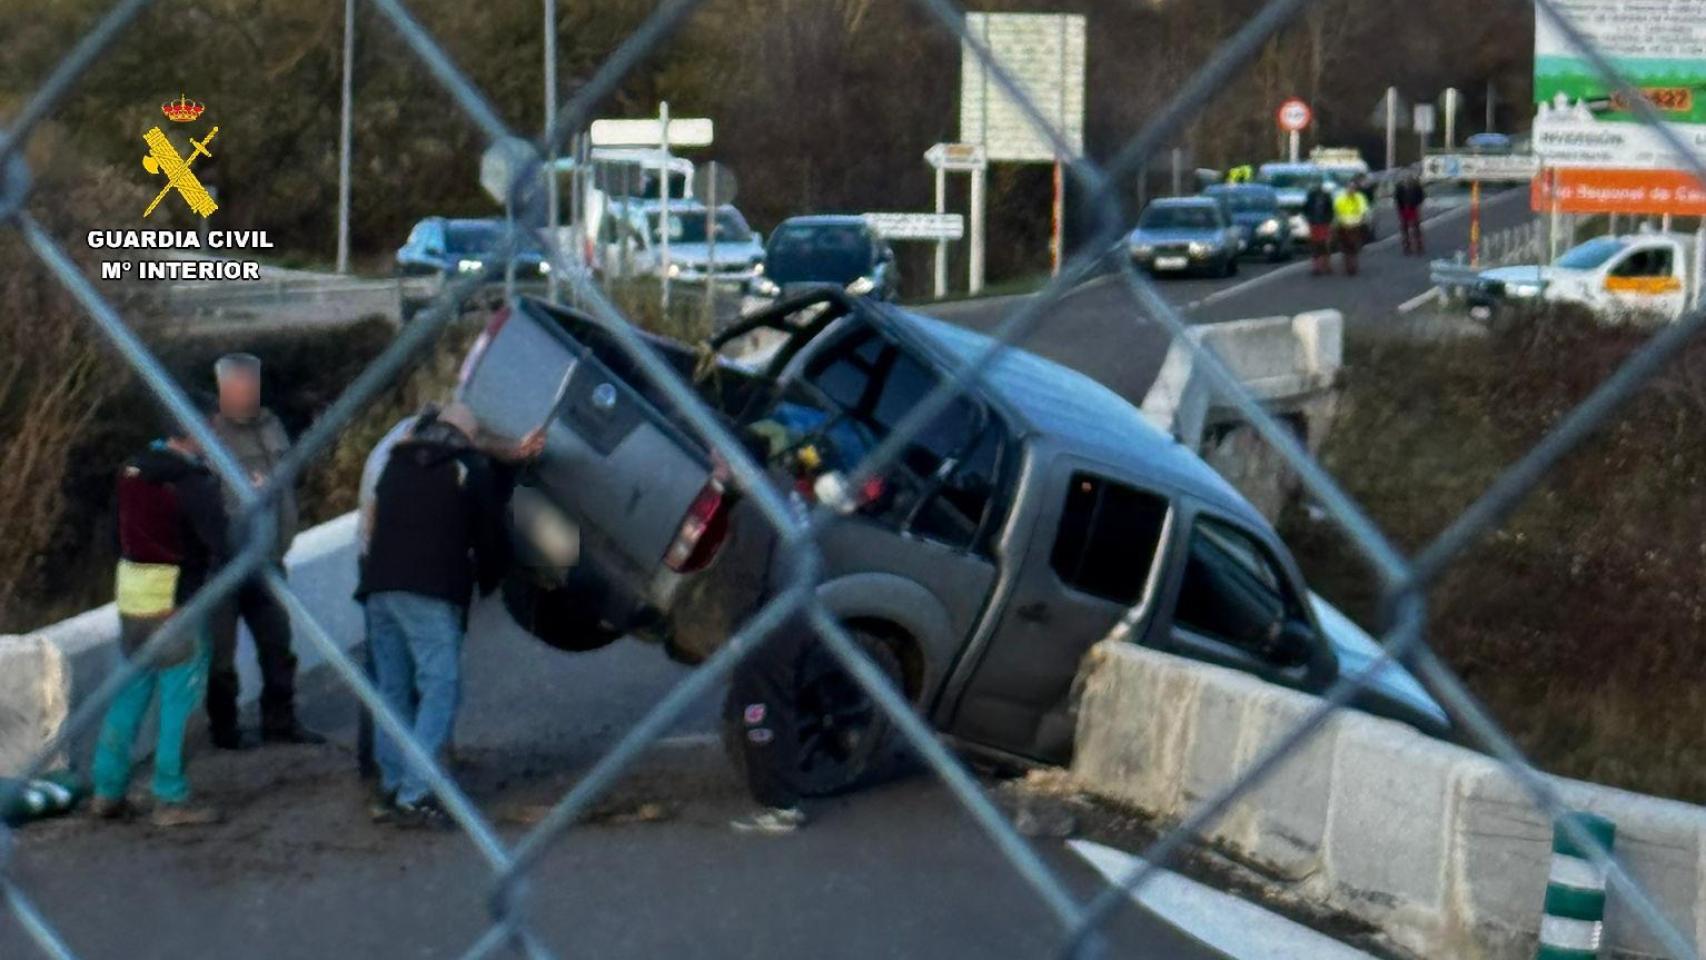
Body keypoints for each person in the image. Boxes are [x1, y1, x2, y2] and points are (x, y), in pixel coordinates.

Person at [358, 403, 533, 826]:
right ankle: (417, 794)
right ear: (469, 437)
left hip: (379, 586)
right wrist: (492, 581)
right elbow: (490, 535)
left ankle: (392, 784)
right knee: (441, 687)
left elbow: (374, 521)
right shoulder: (468, 469)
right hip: (431, 590)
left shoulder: (395, 463)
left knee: (392, 689)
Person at [90, 395, 229, 828]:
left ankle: (106, 789)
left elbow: (115, 533)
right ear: (194, 429)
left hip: (133, 597)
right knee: (181, 703)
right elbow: (220, 543)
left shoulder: (132, 471)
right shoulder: (192, 481)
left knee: (130, 694)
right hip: (177, 603)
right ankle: (171, 797)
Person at [207, 353, 323, 749]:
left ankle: (281, 721)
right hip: (224, 565)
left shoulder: (273, 424)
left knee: (278, 646)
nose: (247, 397)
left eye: (252, 388)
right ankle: (224, 730)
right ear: (223, 390)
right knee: (220, 657)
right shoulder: (208, 435)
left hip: (269, 559)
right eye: (239, 390)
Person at [724, 626, 814, 835]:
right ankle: (782, 804)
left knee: (764, 717)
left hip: (771, 635)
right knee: (767, 711)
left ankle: (782, 809)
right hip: (772, 627)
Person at [1332, 181, 1372, 277]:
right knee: (1345, 248)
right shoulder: (1340, 198)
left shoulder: (1359, 197)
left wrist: (1361, 221)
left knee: (1354, 247)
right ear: (1346, 188)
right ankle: (1348, 266)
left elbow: (1364, 210)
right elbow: (1336, 212)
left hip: (1356, 225)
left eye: (1353, 188)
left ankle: (1353, 265)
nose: (1351, 190)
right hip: (1343, 225)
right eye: (1350, 188)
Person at [1302, 180, 1336, 276]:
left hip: (1324, 224)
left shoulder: (1327, 197)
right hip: (1314, 224)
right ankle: (1316, 267)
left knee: (1324, 245)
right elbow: (1305, 208)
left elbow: (1331, 210)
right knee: (1315, 245)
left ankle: (1326, 265)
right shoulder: (1311, 197)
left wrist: (1329, 220)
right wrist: (1309, 218)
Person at [1395, 174, 1427, 255]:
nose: (1407, 179)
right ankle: (1407, 247)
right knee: (1405, 228)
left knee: (1416, 228)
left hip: (1413, 208)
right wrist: (1400, 206)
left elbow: (1421, 195)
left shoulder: (1416, 186)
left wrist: (1417, 203)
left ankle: (1419, 246)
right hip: (1403, 209)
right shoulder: (1400, 187)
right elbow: (1397, 197)